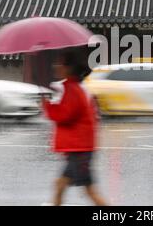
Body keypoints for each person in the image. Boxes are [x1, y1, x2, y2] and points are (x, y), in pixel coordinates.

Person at [42, 47, 107, 206]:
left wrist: (46, 106)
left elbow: (65, 115)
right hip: (79, 149)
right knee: (60, 186)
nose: (56, 66)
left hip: (79, 150)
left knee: (89, 191)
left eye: (60, 63)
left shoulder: (72, 90)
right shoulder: (73, 88)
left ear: (68, 68)